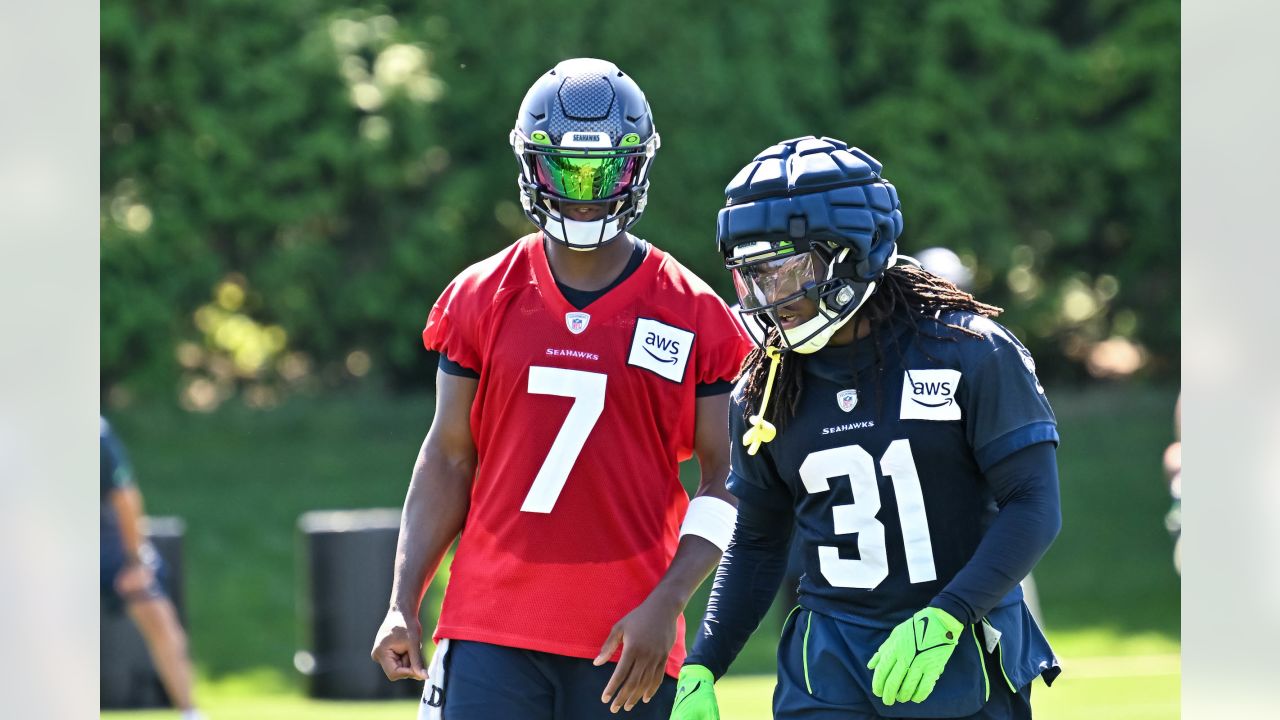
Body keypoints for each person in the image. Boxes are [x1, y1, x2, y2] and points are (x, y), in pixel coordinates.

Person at [370, 57, 753, 720]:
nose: (583, 192)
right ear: (530, 167)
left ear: (636, 169)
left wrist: (668, 603)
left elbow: (726, 481)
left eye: (603, 172)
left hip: (629, 634)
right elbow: (448, 455)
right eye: (564, 171)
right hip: (490, 626)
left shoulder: (693, 312)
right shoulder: (481, 294)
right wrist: (403, 600)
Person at [671, 136, 1062, 720]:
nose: (768, 298)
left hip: (956, 648)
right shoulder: (766, 386)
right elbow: (758, 539)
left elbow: (1033, 503)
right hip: (828, 666)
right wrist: (704, 663)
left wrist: (951, 612)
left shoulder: (967, 353)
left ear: (852, 251)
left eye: (783, 270)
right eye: (750, 276)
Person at [101, 417, 205, 720]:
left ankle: (189, 711)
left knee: (159, 620)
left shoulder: (95, 435)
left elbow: (125, 496)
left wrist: (135, 561)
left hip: (109, 546)